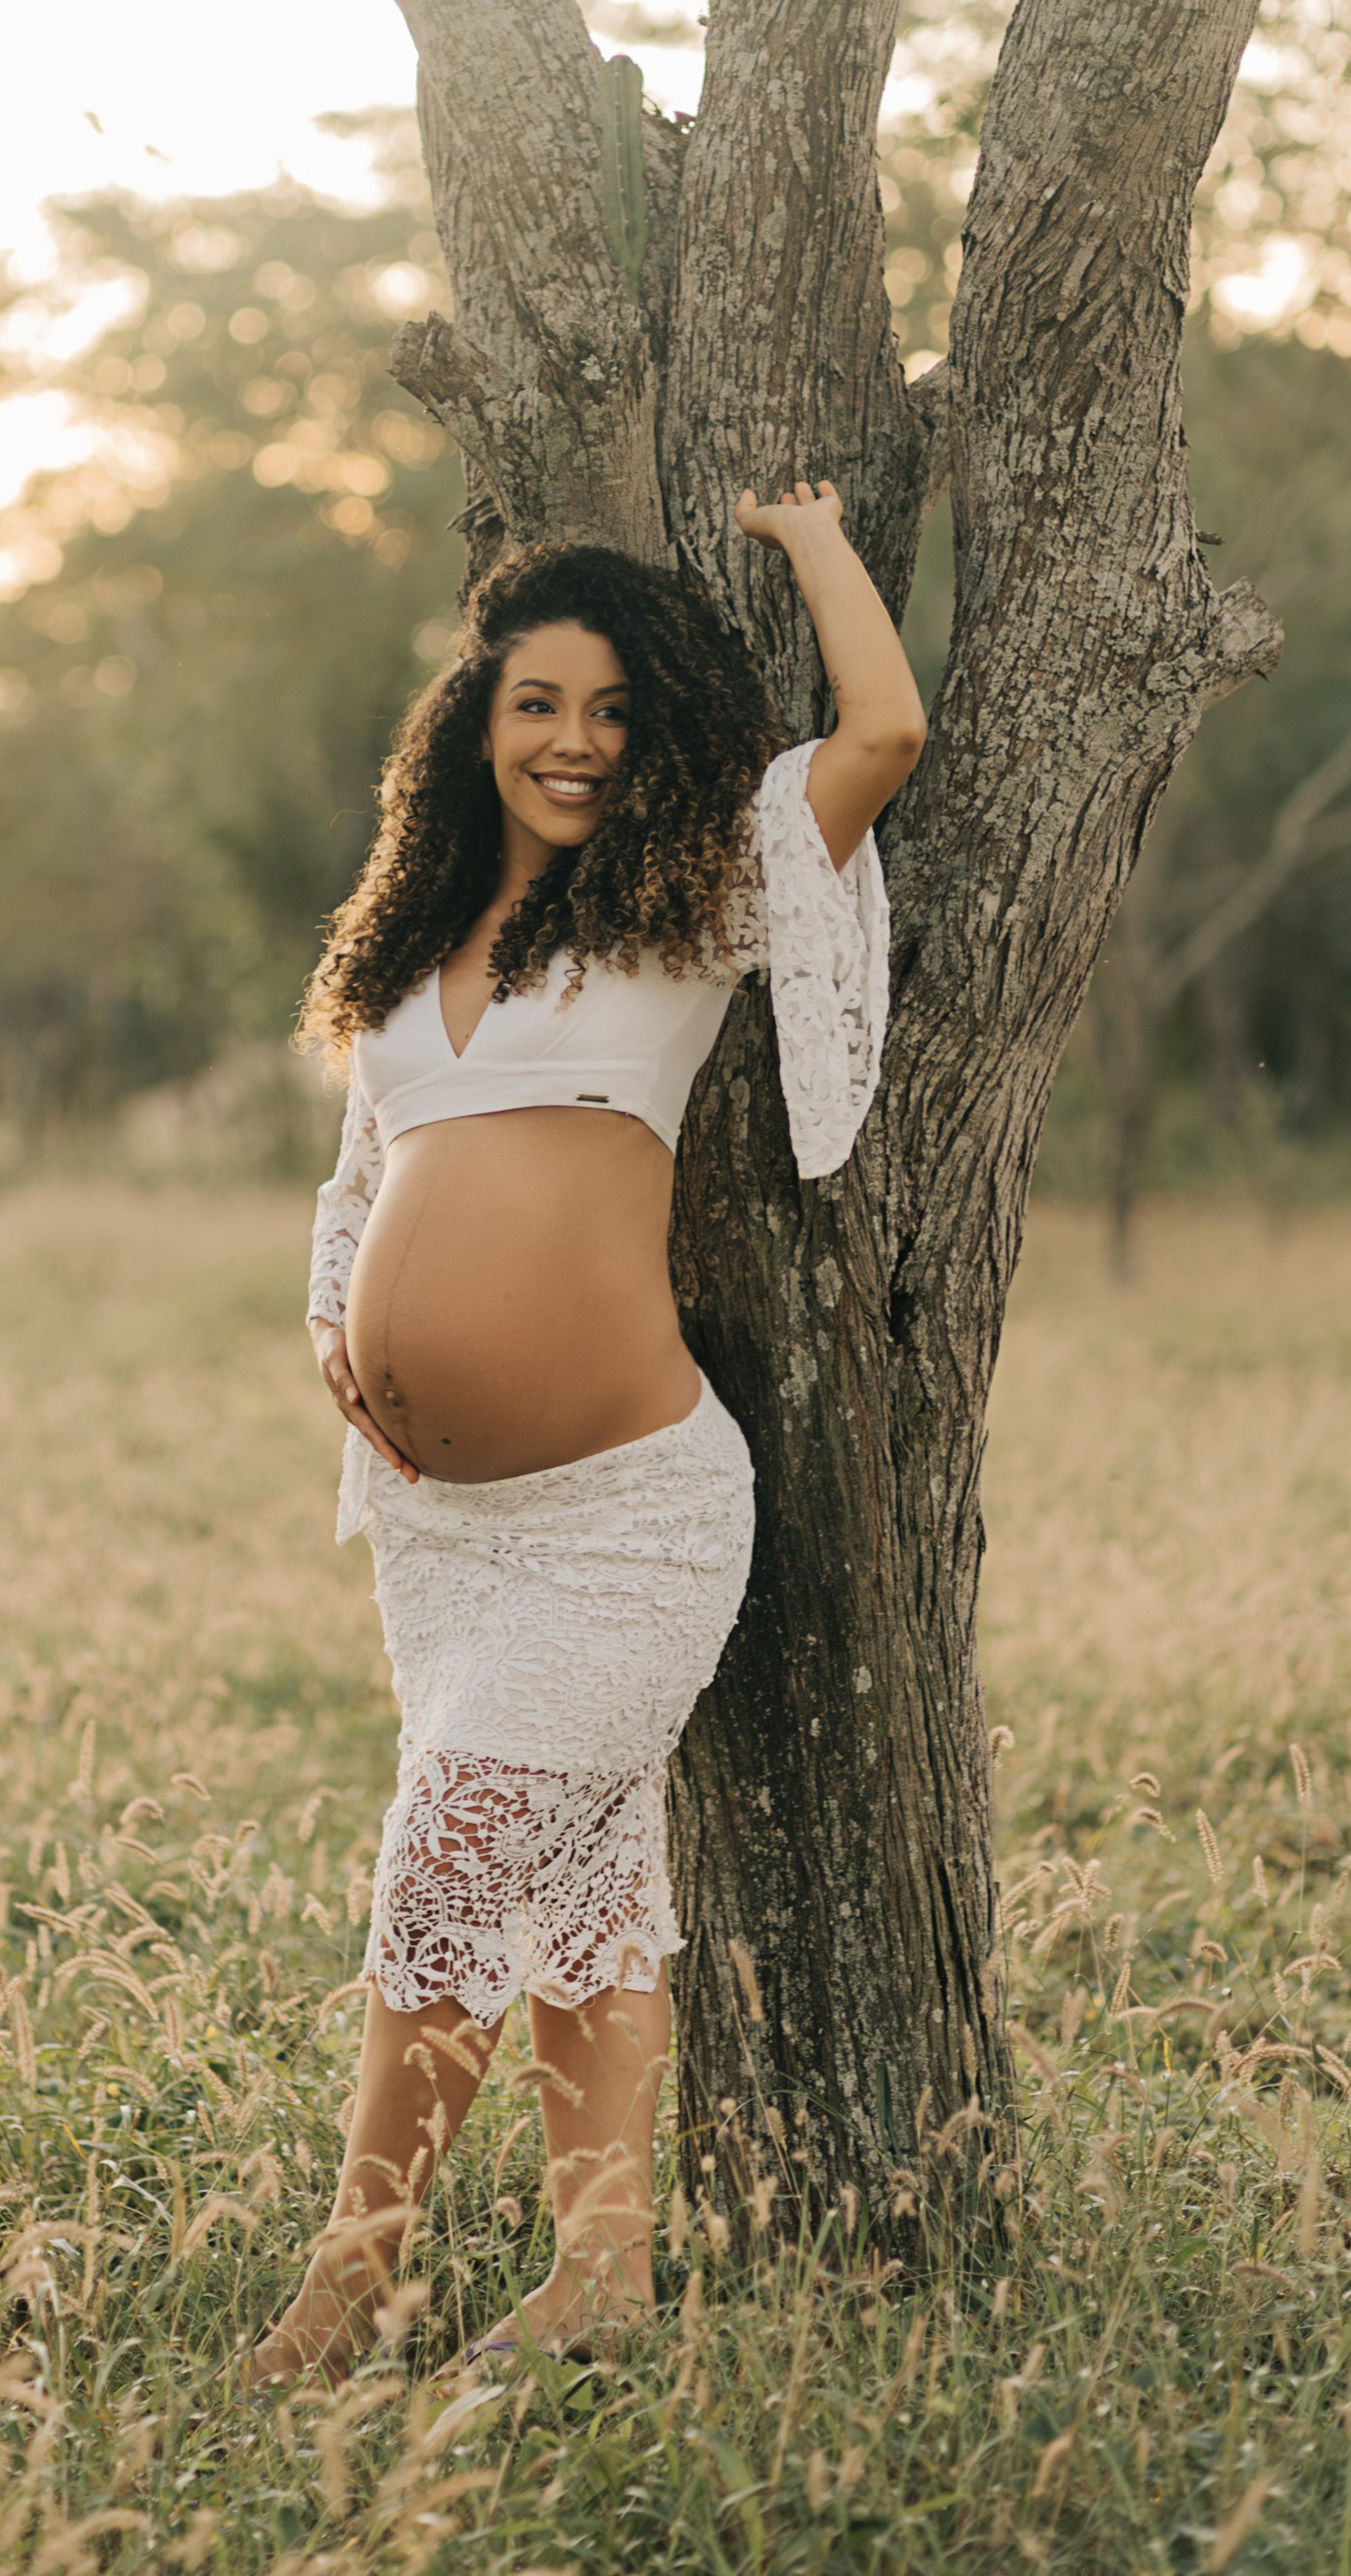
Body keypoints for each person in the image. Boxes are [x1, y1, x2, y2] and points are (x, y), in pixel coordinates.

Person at [257, 485, 926, 2386]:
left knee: (446, 1861)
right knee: (584, 1889)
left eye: (614, 710)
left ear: (660, 735)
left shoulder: (688, 899)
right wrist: (336, 1314)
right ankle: (602, 2285)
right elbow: (363, 1171)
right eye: (537, 703)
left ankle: (352, 2284)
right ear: (475, 721)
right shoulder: (413, 938)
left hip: (627, 1516)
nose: (572, 741)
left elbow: (882, 734)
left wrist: (807, 535)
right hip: (444, 1536)